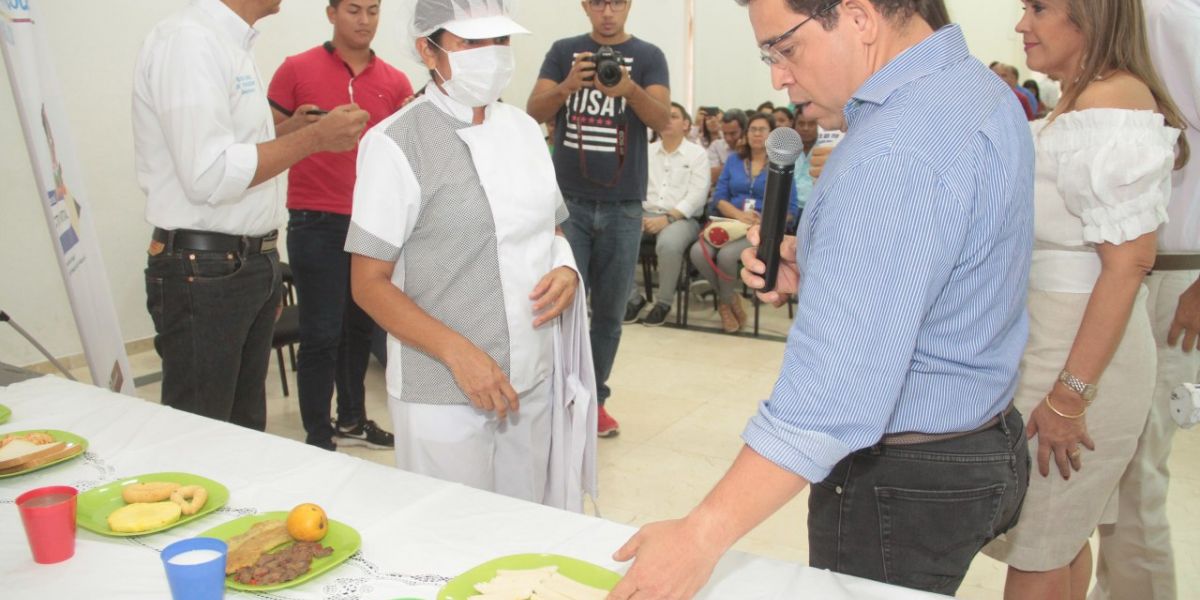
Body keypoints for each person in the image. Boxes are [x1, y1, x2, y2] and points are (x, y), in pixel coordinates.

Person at [608, 0, 1035, 597]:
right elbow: (952, 268)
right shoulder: (973, 89)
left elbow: (833, 393)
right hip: (982, 435)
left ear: (859, 18)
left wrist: (701, 534)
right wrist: (829, 270)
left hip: (903, 474)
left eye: (784, 48)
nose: (777, 76)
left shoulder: (894, 148)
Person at [981, 1, 1191, 599]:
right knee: (1058, 539)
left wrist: (1071, 396)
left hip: (1080, 353)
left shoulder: (1113, 102)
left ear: (1091, 15)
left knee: (1041, 549)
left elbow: (1128, 265)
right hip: (1059, 339)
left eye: (1039, 8)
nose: (1023, 24)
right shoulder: (1081, 102)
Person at [347, 0, 581, 503]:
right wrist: (460, 356)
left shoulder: (523, 130)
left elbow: (551, 229)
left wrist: (566, 269)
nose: (491, 55)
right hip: (442, 387)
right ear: (427, 51)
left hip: (527, 373)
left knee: (528, 530)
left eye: (500, 41)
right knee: (452, 537)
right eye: (472, 43)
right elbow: (367, 283)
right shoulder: (394, 144)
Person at [134, 0, 369, 430]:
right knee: (202, 435)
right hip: (205, 270)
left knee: (242, 434)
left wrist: (288, 133)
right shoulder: (189, 41)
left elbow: (230, 152)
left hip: (243, 262)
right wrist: (315, 139)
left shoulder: (231, 43)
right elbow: (207, 175)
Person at [1090, 4, 1200, 597]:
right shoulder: (1118, 16)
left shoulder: (1169, 19)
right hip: (1115, 269)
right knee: (1108, 474)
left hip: (1173, 274)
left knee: (1135, 479)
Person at [266, 0, 409, 451]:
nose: (364, 20)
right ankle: (318, 435)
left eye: (372, 11)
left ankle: (352, 419)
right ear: (331, 14)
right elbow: (263, 139)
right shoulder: (295, 69)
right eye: (353, 10)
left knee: (360, 329)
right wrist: (298, 128)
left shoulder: (395, 80)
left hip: (373, 222)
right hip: (315, 220)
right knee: (321, 331)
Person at [527, 0, 671, 438]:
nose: (607, 12)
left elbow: (663, 120)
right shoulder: (563, 50)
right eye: (598, 2)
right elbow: (533, 110)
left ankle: (596, 400)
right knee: (559, 309)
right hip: (569, 201)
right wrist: (569, 84)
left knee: (608, 313)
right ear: (586, 6)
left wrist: (628, 90)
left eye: (616, 2)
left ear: (627, 5)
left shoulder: (649, 57)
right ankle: (554, 399)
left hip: (625, 203)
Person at [688, 112, 796, 334]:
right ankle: (731, 299)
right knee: (697, 252)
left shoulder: (781, 161)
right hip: (731, 223)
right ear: (746, 134)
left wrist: (764, 221)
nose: (756, 134)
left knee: (727, 256)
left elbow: (791, 208)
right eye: (753, 129)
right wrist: (739, 215)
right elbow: (719, 197)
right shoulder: (734, 160)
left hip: (759, 230)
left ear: (771, 134)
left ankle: (725, 307)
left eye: (762, 129)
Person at [624, 102, 711, 326]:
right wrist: (640, 213)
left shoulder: (697, 155)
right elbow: (633, 186)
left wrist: (668, 218)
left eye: (673, 116)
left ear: (686, 124)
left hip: (682, 218)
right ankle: (633, 299)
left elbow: (698, 195)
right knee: (620, 235)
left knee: (669, 244)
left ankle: (663, 302)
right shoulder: (646, 151)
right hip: (644, 212)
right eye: (663, 116)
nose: (667, 120)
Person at [707, 109, 746, 186]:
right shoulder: (716, 146)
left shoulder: (753, 148)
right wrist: (737, 156)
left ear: (744, 130)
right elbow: (713, 176)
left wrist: (723, 167)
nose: (728, 138)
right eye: (725, 133)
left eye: (733, 133)